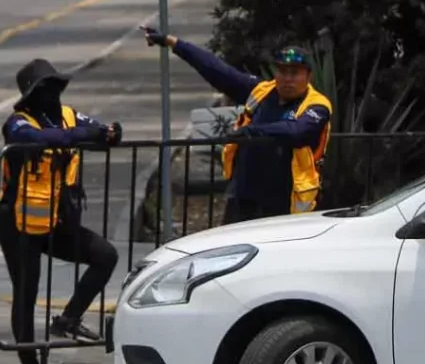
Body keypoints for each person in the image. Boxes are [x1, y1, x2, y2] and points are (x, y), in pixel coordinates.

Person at [0, 58, 123, 364]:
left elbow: (102, 134)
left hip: (57, 220)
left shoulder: (68, 115)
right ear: (30, 94)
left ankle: (67, 320)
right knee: (26, 293)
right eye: (43, 88)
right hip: (17, 223)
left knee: (105, 255)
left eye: (55, 86)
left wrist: (109, 133)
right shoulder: (17, 123)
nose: (51, 93)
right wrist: (84, 134)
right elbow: (42, 139)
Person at [141, 27, 333, 224]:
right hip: (244, 198)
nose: (287, 79)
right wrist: (173, 43)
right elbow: (217, 71)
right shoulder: (262, 92)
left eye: (294, 73)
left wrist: (252, 131)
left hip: (286, 206)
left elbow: (297, 132)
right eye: (282, 71)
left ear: (308, 77)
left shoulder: (316, 105)